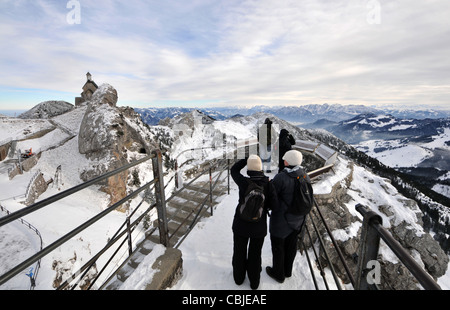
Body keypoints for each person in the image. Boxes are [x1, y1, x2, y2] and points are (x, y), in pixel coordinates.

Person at [230, 154, 278, 289]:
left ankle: (238, 279)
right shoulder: (268, 184)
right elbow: (275, 206)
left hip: (240, 224)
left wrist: (246, 159)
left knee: (239, 251)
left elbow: (233, 170)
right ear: (260, 168)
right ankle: (254, 282)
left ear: (249, 169)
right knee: (255, 254)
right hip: (259, 227)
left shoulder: (243, 182)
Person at [267, 150, 308, 283]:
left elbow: (271, 197)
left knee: (278, 247)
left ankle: (278, 273)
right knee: (291, 246)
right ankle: (287, 270)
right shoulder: (304, 176)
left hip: (281, 220)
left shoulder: (281, 177)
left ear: (287, 162)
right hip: (298, 220)